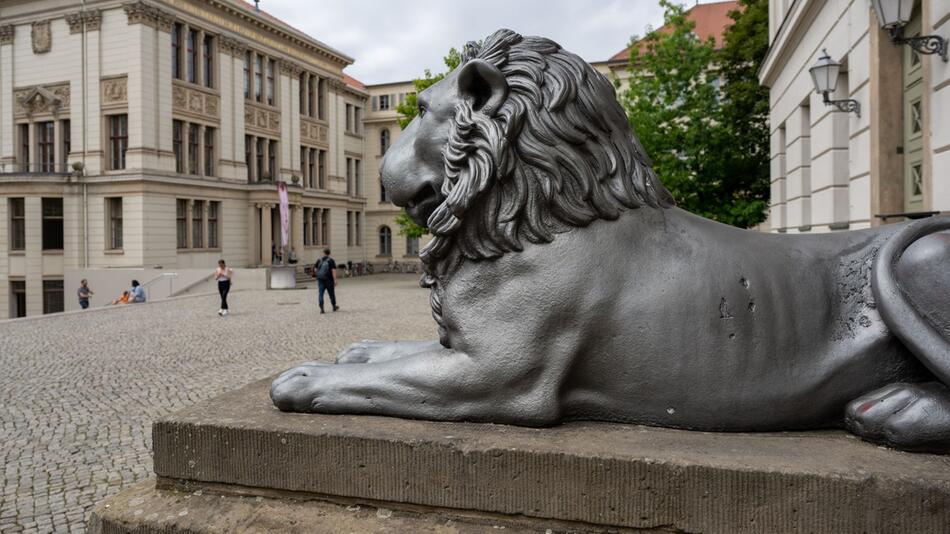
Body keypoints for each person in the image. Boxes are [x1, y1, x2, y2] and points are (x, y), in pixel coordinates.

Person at [314, 247, 339, 314]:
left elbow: (315, 269)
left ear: (323, 253)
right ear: (329, 253)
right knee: (331, 294)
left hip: (321, 280)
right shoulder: (331, 260)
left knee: (321, 294)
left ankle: (322, 309)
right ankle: (334, 306)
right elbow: (333, 270)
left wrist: (318, 275)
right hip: (329, 280)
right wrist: (335, 280)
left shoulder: (319, 260)